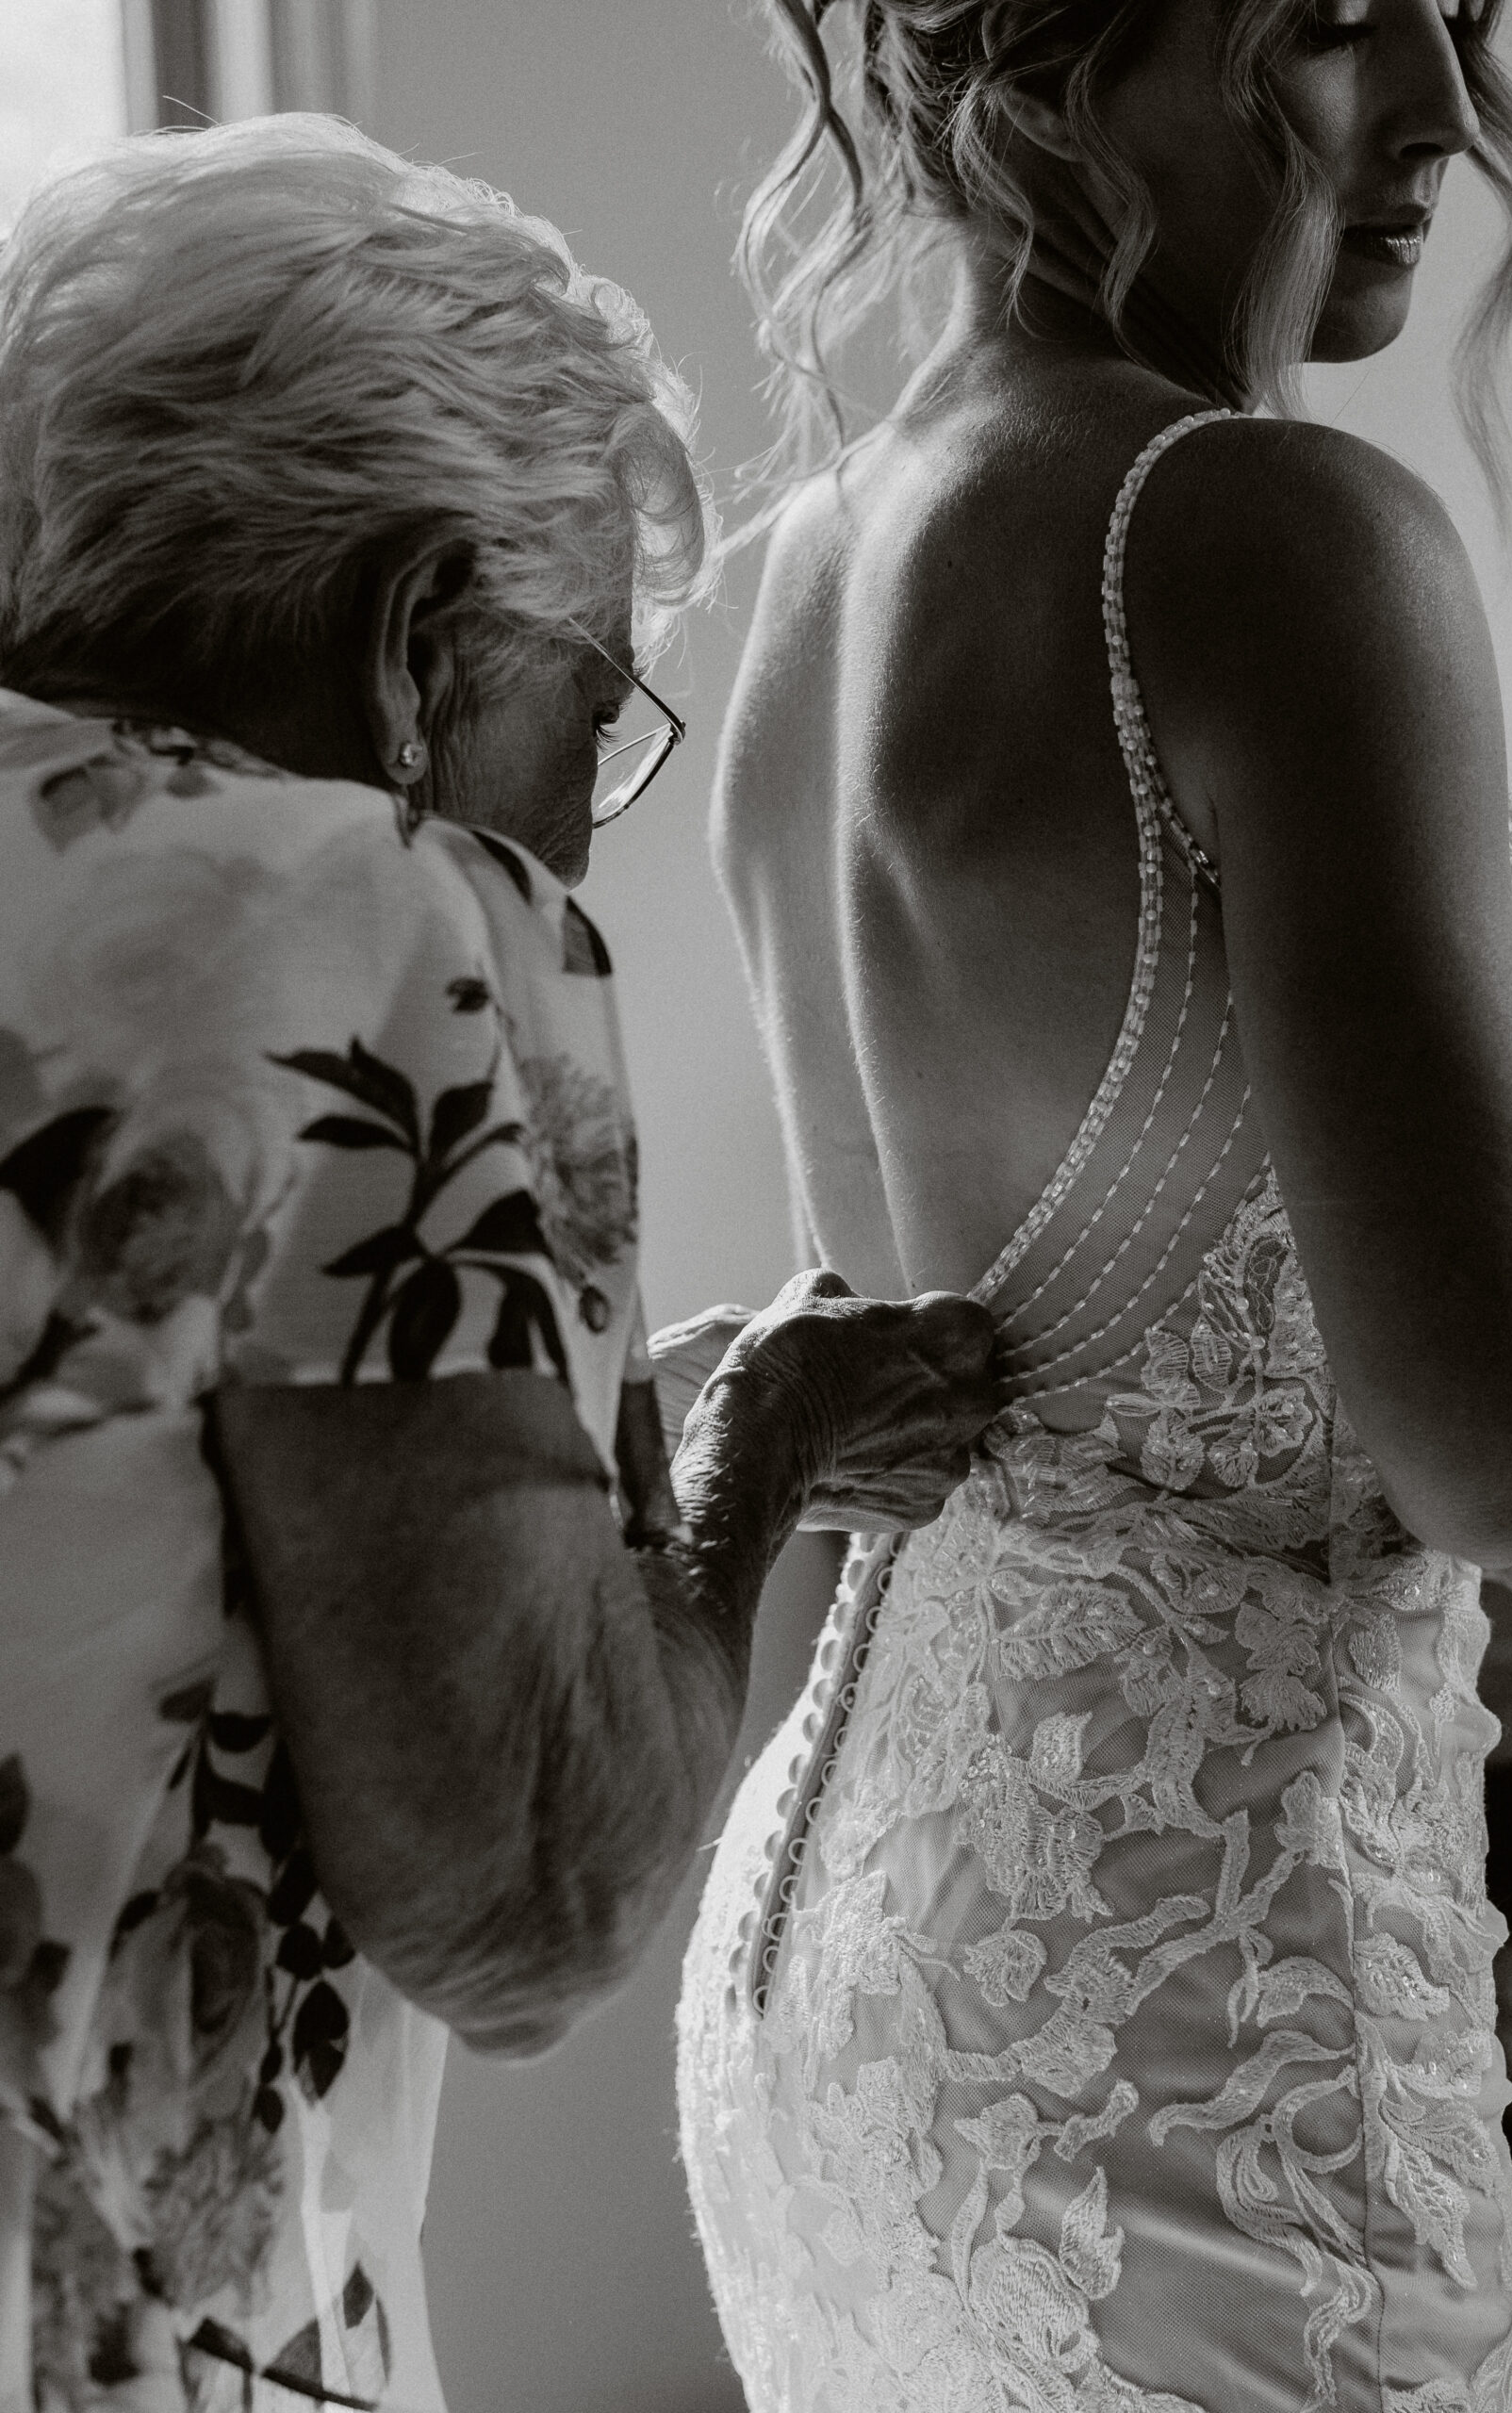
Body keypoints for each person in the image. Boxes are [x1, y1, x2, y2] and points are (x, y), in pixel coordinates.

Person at [0, 116, 998, 2410]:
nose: (571, 820)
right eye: (588, 697)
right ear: (412, 635)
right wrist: (739, 1459)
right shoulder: (373, 910)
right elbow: (533, 1891)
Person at [677, 5, 1512, 2409]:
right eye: (1319, 24)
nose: (1440, 117)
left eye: (1456, 20)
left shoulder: (802, 571)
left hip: (850, 1951)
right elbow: (1503, 1461)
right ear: (1049, 68)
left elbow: (961, 1349)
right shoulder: (1274, 534)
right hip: (1206, 2023)